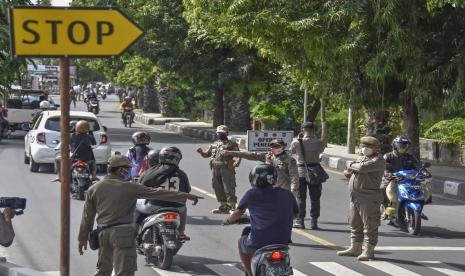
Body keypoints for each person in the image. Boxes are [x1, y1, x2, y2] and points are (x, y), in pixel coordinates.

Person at [78, 155, 201, 276]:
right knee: (125, 272)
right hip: (123, 235)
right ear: (121, 170)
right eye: (127, 169)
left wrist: (82, 238)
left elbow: (87, 216)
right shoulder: (130, 187)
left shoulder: (94, 188)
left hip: (103, 234)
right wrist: (185, 196)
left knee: (103, 271)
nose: (128, 171)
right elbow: (158, 193)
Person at [223, 164, 298, 276]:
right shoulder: (286, 193)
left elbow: (238, 212)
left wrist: (228, 221)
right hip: (283, 240)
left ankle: (250, 273)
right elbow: (295, 214)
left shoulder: (252, 193)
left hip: (260, 239)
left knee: (241, 242)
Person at [338, 136, 385, 261]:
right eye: (363, 145)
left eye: (368, 146)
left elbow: (362, 168)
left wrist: (351, 165)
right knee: (354, 223)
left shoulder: (378, 160)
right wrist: (349, 171)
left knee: (370, 225)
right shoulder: (361, 158)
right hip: (355, 197)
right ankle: (355, 248)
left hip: (369, 198)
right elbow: (352, 170)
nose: (365, 148)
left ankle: (369, 251)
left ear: (376, 148)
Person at [137, 147, 191, 240]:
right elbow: (187, 190)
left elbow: (140, 187)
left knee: (135, 206)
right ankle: (181, 232)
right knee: (184, 208)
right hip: (177, 207)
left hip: (154, 205)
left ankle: (133, 232)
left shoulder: (151, 171)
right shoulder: (182, 174)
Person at [382, 136, 432, 220]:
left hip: (409, 179)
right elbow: (383, 167)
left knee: (425, 189)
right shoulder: (388, 156)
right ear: (395, 146)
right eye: (400, 145)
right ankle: (385, 209)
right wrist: (387, 173)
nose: (402, 147)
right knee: (382, 188)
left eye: (405, 145)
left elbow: (418, 166)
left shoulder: (410, 157)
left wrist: (425, 173)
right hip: (392, 178)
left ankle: (419, 209)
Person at [223, 138, 299, 192]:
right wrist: (230, 153)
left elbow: (294, 177)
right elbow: (249, 155)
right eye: (273, 146)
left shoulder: (289, 160)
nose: (274, 148)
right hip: (269, 189)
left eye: (277, 146)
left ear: (283, 147)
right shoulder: (268, 156)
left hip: (283, 190)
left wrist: (293, 190)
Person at [290, 122, 327, 230]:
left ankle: (300, 221)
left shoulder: (296, 142)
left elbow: (291, 152)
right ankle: (314, 222)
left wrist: (298, 138)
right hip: (315, 172)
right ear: (314, 130)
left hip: (300, 171)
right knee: (315, 198)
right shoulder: (319, 142)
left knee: (301, 198)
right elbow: (320, 151)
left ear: (302, 130)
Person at [197, 125, 241, 214]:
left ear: (227, 133)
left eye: (222, 133)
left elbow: (240, 154)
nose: (220, 134)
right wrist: (201, 152)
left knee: (228, 187)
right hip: (215, 168)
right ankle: (223, 206)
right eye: (219, 133)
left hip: (226, 168)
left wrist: (238, 162)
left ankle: (232, 207)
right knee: (217, 187)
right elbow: (207, 154)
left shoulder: (232, 144)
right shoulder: (214, 144)